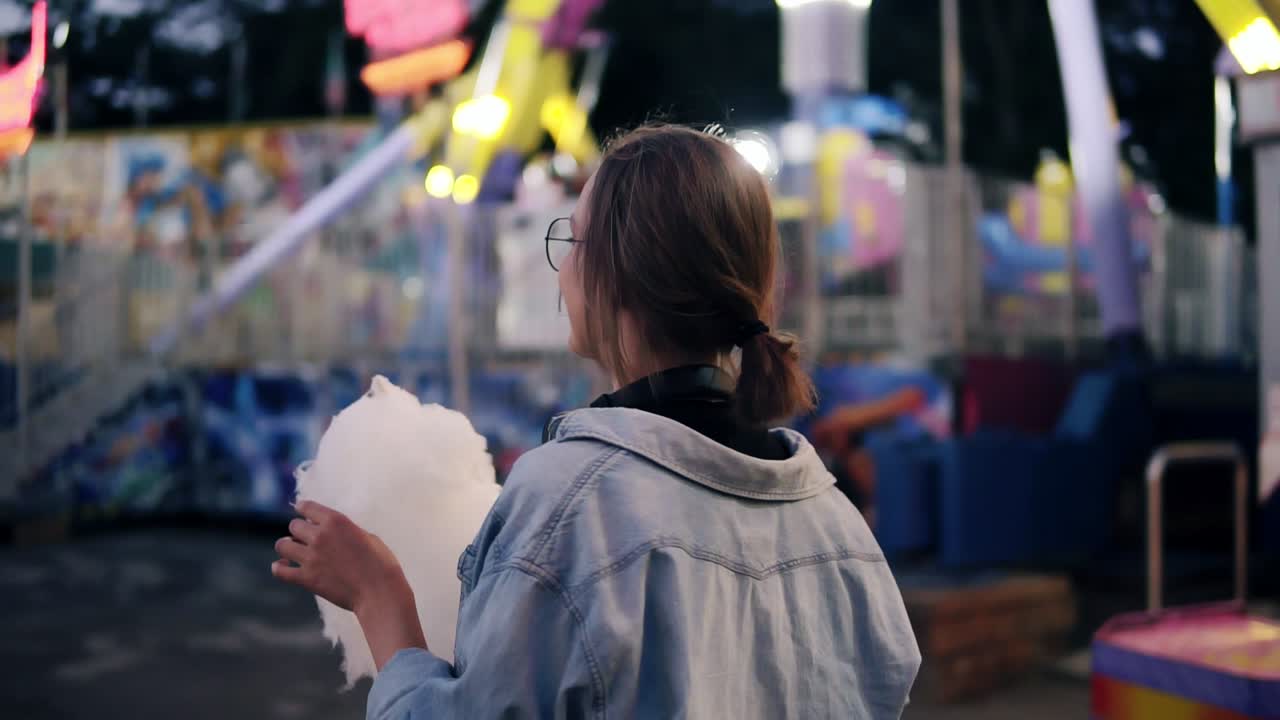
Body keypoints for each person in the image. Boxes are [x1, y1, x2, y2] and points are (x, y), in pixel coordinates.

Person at [271, 125, 921, 718]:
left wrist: (381, 598)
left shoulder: (570, 508)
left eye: (572, 239)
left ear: (615, 274)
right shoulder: (841, 531)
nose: (565, 270)